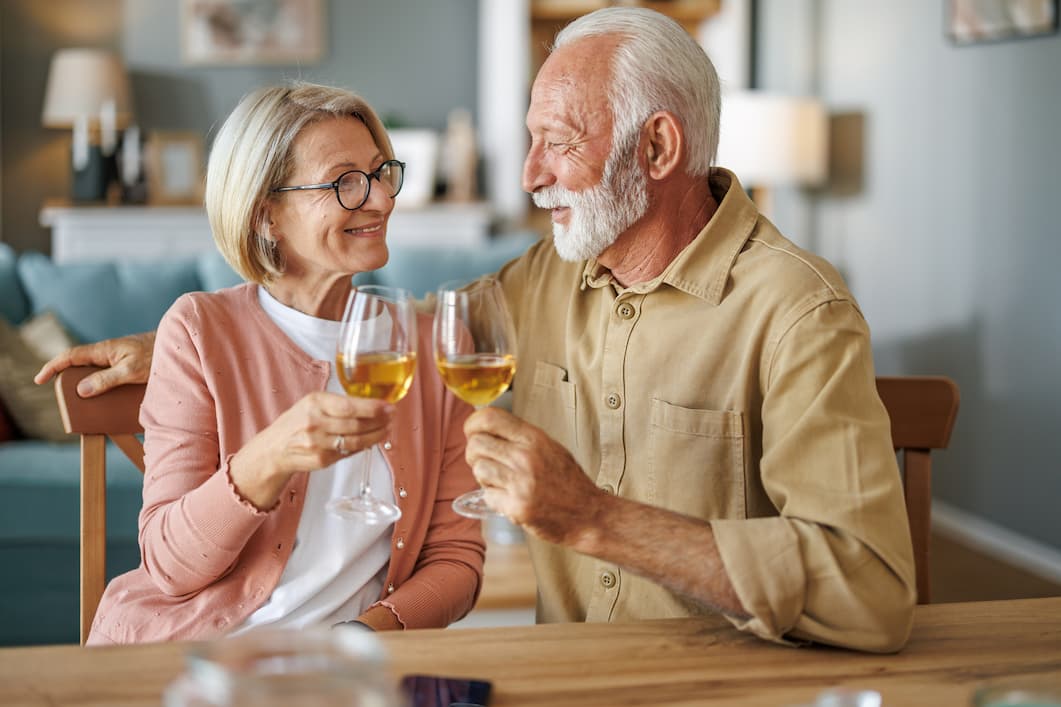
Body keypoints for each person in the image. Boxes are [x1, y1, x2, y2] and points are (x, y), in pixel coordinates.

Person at [38, 9, 914, 652]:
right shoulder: (539, 285)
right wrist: (186, 350)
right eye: (526, 140)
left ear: (654, 150)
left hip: (727, 677)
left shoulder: (798, 314)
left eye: (555, 143)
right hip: (551, 672)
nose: (528, 176)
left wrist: (598, 519)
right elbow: (398, 331)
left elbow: (872, 592)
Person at [52, 82, 485, 645]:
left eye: (381, 173)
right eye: (344, 183)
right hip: (190, 657)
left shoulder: (430, 346)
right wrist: (270, 455)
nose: (379, 200)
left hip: (346, 672)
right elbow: (169, 566)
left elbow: (456, 559)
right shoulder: (199, 330)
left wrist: (360, 637)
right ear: (266, 215)